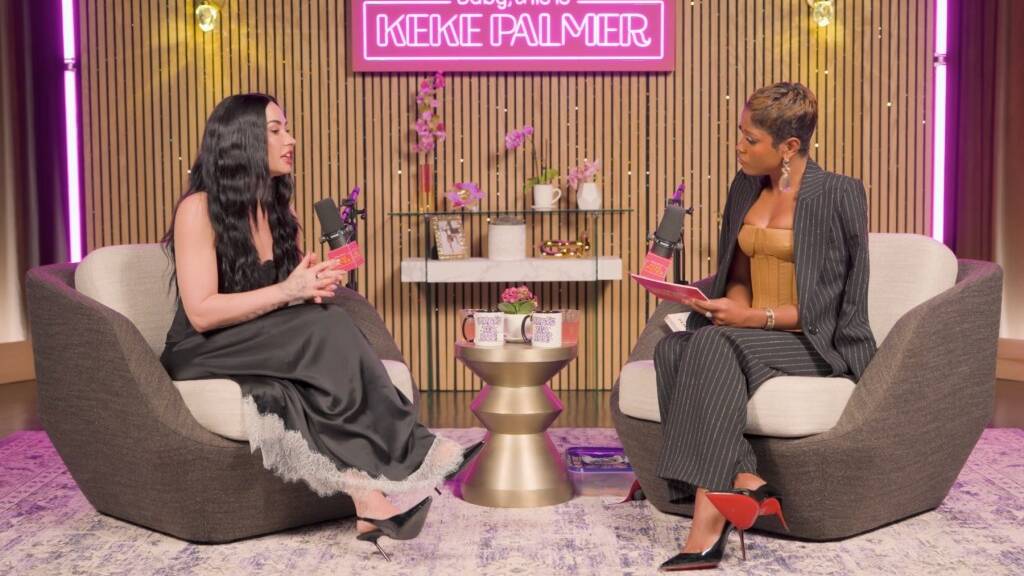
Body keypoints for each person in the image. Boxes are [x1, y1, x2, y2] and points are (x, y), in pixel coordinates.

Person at [159, 93, 480, 560]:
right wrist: (289, 291)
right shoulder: (199, 209)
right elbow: (202, 312)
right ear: (242, 141)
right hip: (203, 347)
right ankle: (416, 448)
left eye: (287, 129)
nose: (290, 140)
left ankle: (370, 505)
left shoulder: (279, 212)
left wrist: (312, 284)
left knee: (326, 324)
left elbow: (285, 294)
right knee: (326, 329)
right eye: (276, 130)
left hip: (257, 339)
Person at [653, 82, 876, 571]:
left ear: (789, 146)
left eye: (751, 139)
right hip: (750, 333)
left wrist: (753, 319)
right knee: (672, 350)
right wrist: (726, 308)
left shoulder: (838, 194)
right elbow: (736, 275)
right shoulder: (745, 186)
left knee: (709, 346)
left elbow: (829, 306)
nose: (739, 146)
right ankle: (744, 480)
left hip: (810, 340)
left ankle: (707, 525)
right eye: (741, 133)